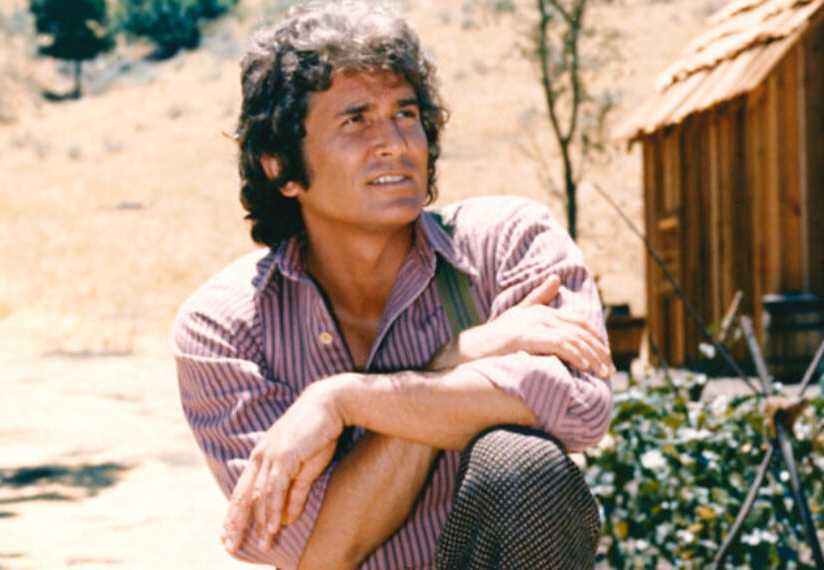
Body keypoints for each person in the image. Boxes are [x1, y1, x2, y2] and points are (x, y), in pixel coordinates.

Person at [172, 2, 614, 568]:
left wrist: (344, 400)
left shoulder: (509, 242)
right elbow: (315, 551)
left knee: (519, 464)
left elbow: (578, 405)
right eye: (355, 120)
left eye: (406, 114)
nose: (396, 143)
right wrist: (452, 361)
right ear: (279, 165)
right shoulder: (226, 325)